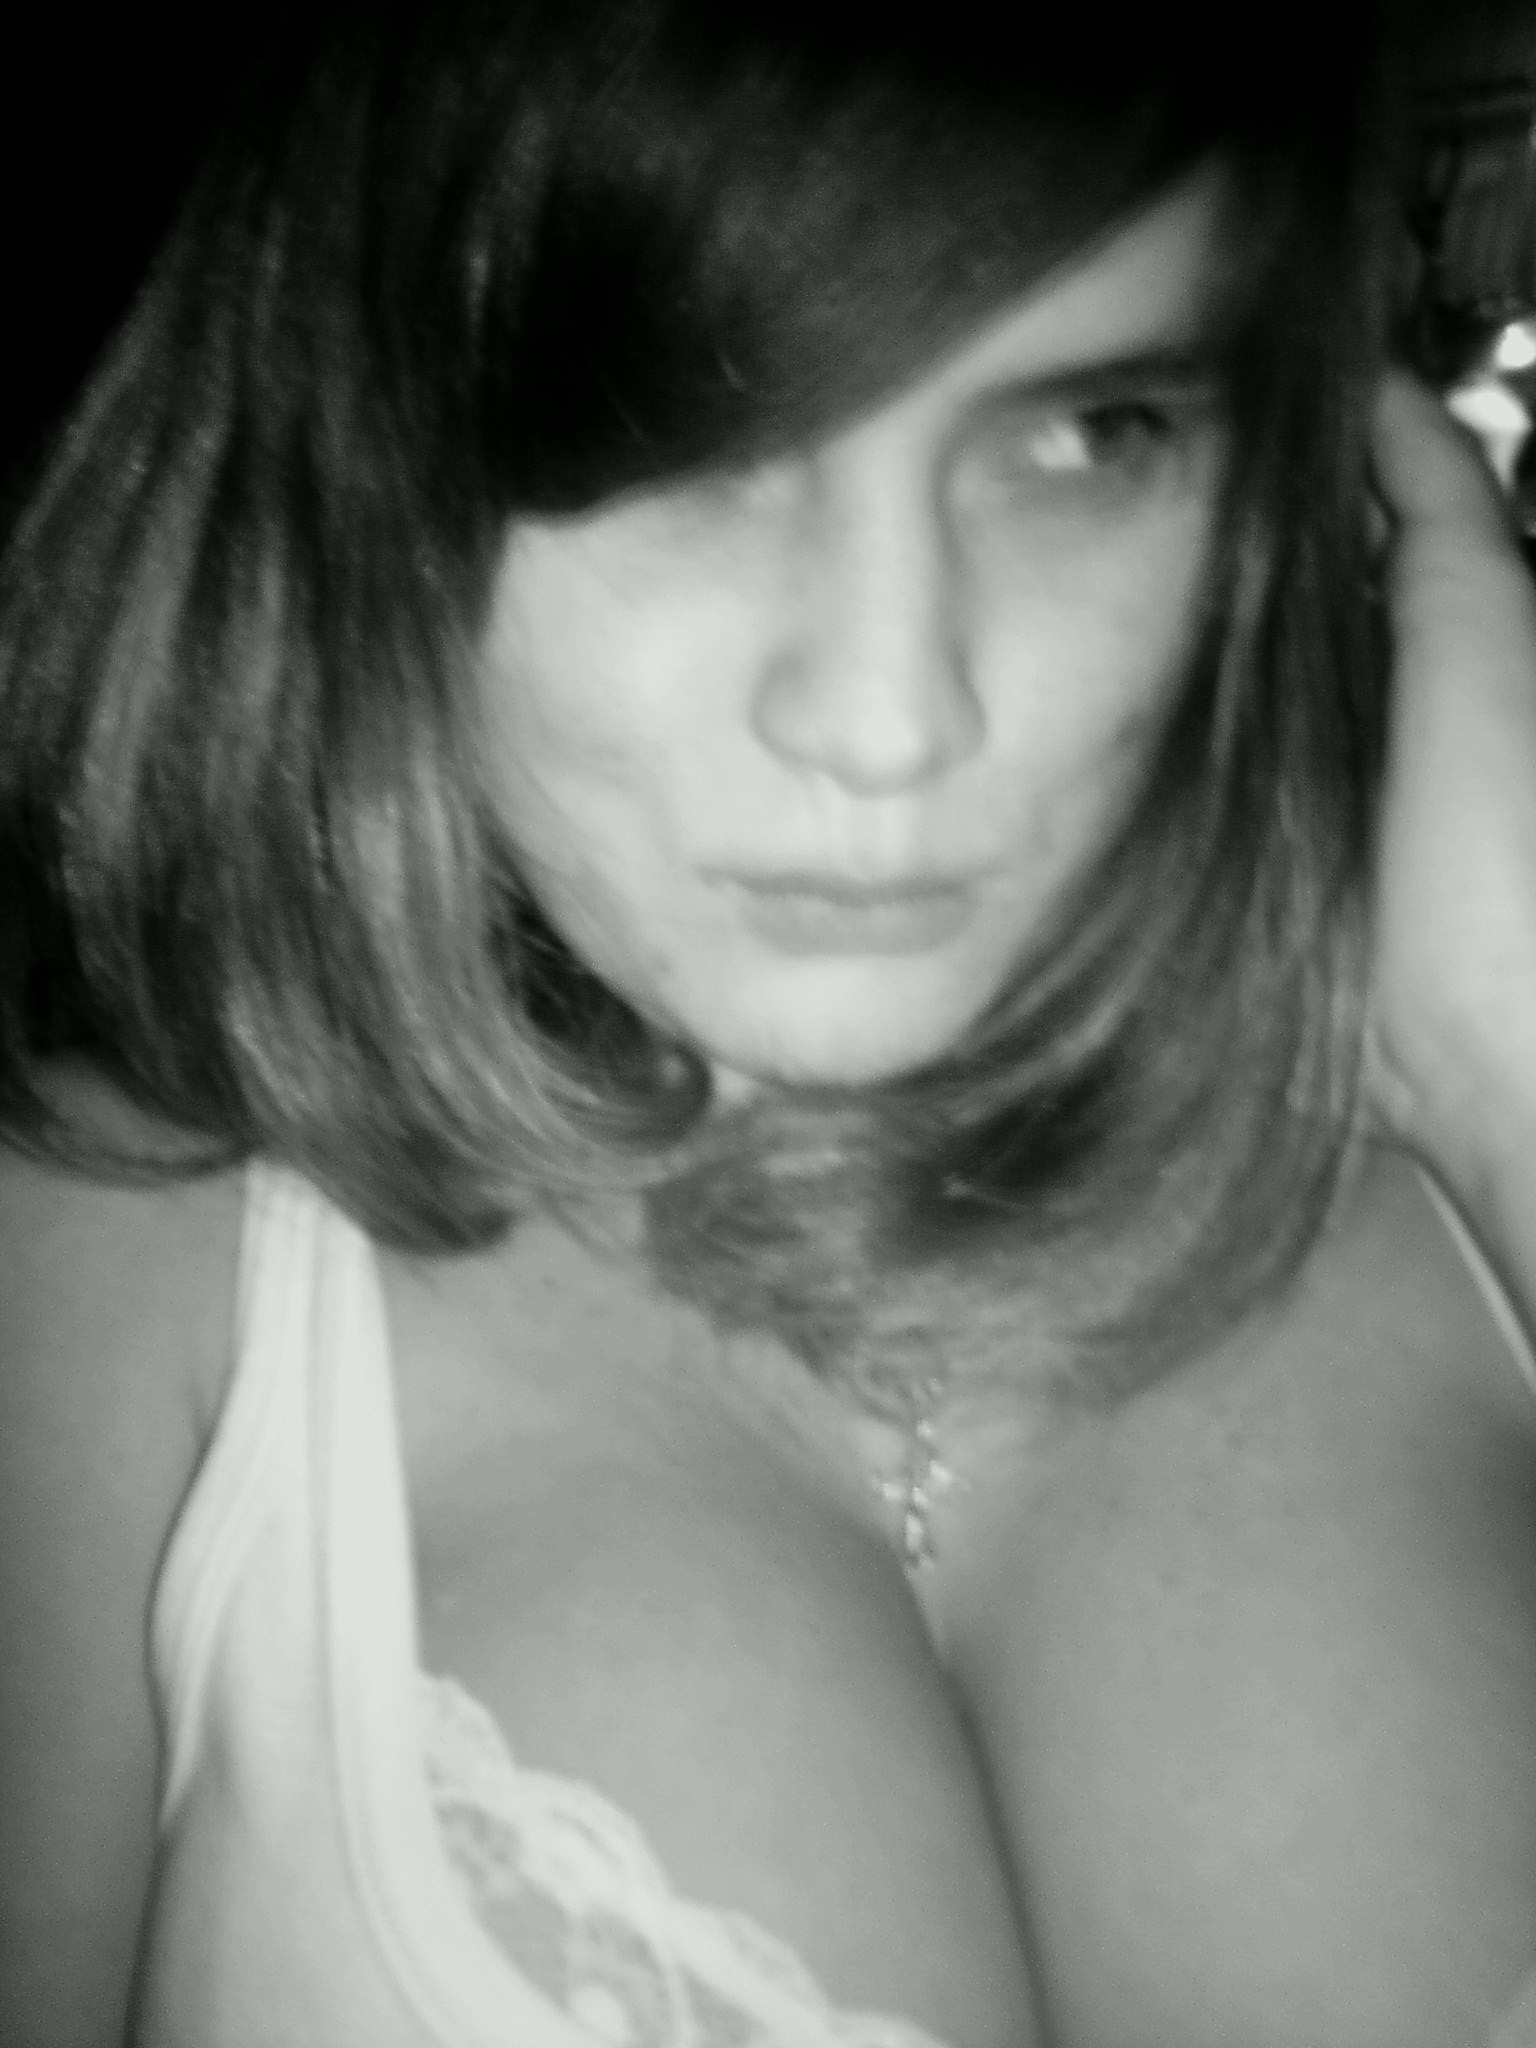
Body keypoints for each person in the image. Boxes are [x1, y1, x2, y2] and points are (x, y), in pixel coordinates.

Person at [0, 2, 1533, 2043]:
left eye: (1086, 439)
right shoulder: (112, 1272)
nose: (892, 717)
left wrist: (1511, 1084)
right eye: (685, 452)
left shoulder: (1489, 1178)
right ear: (370, 469)